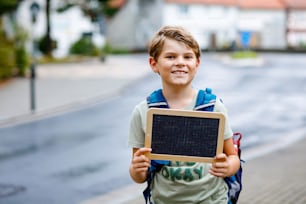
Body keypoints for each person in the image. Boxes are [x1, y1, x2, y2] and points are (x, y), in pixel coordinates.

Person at [128, 25, 240, 204]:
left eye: (187, 56)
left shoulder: (213, 107)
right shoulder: (143, 112)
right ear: (153, 64)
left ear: (197, 63)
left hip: (212, 200)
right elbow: (138, 173)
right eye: (170, 56)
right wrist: (137, 170)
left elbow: (233, 157)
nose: (180, 62)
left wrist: (228, 167)